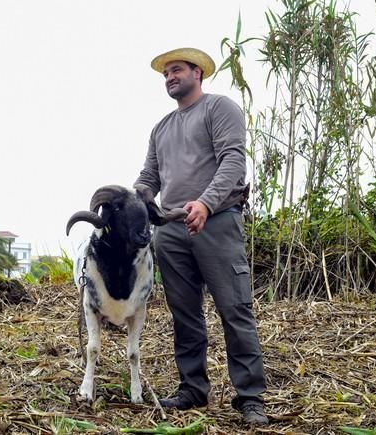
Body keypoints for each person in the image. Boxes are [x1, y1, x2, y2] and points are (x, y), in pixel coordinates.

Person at [134, 47, 268, 425]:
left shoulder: (219, 109)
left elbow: (232, 161)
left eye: (177, 70)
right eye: (165, 74)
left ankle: (250, 397)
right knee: (184, 314)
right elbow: (149, 177)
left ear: (198, 73)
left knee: (234, 309)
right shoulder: (161, 128)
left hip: (217, 222)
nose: (170, 77)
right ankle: (192, 389)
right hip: (172, 231)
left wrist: (206, 204)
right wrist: (137, 197)